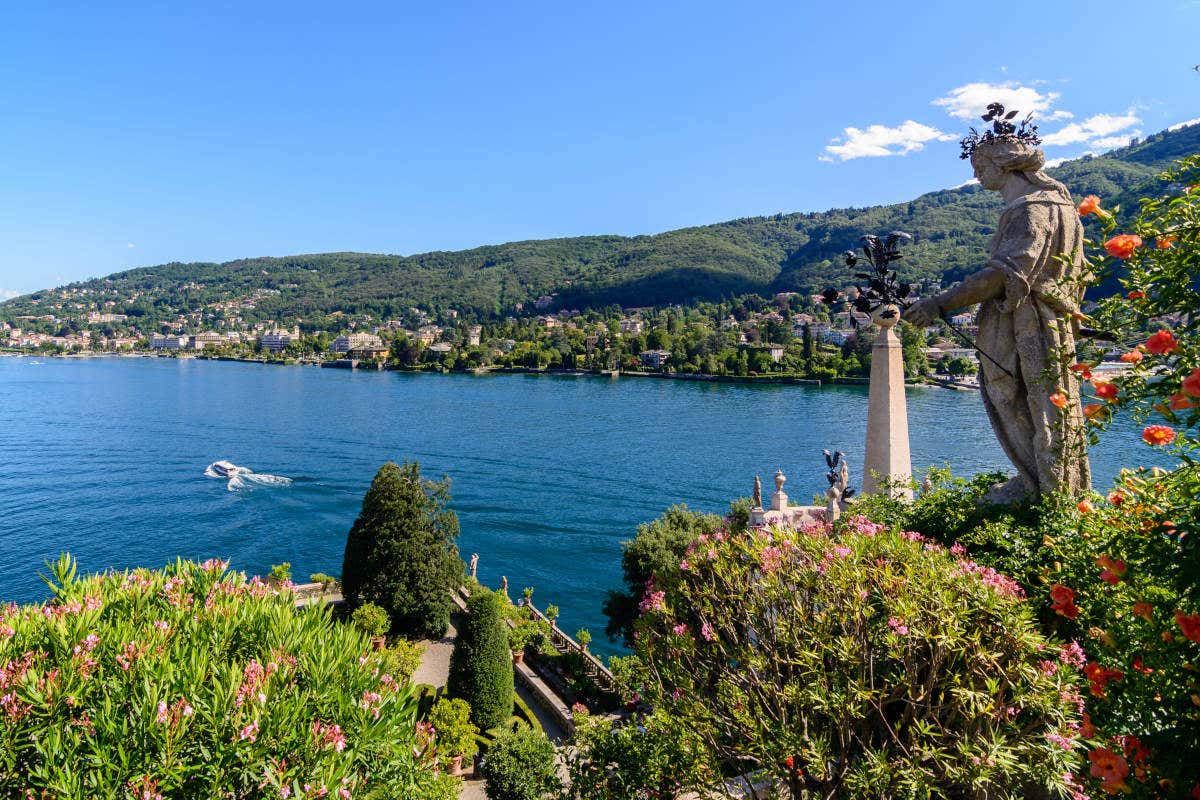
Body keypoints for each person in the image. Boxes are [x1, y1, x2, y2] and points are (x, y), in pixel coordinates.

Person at [904, 127, 1090, 502]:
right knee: (1047, 400)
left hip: (1027, 322)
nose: (977, 175)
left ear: (1004, 163)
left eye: (980, 165)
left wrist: (938, 304)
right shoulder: (1062, 208)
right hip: (1049, 319)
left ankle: (1043, 487)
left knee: (1021, 397)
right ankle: (1049, 484)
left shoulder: (1032, 210)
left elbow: (1004, 274)